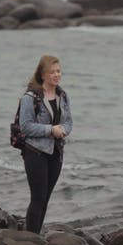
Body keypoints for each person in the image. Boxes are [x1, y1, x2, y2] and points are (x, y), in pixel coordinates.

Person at [19, 55, 73, 234]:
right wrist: (51, 130)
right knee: (38, 198)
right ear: (43, 75)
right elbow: (25, 127)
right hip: (35, 152)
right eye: (52, 72)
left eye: (58, 71)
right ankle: (31, 237)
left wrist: (64, 130)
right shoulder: (30, 97)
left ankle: (36, 234)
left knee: (46, 197)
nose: (57, 75)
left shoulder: (62, 96)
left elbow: (69, 122)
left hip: (56, 152)